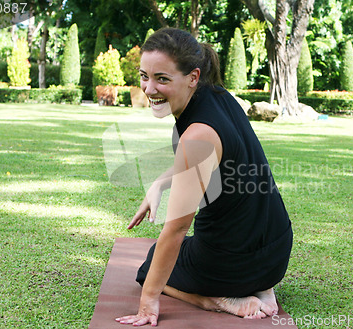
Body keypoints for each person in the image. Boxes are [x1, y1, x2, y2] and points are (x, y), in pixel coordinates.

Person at [116, 27, 293, 327]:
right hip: (276, 254)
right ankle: (259, 288)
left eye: (162, 79)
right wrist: (160, 182)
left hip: (230, 267)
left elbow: (175, 230)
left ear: (193, 77)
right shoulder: (220, 97)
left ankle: (214, 299)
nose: (148, 89)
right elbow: (212, 160)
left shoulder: (196, 134)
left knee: (149, 264)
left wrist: (148, 301)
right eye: (144, 76)